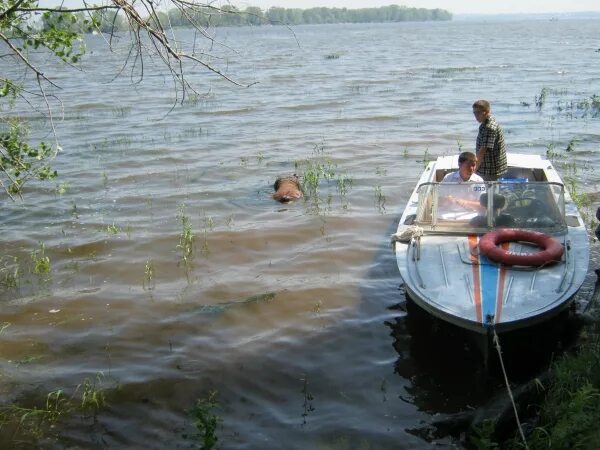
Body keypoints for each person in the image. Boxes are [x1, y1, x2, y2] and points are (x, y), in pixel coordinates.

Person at [472, 99, 507, 181]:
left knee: (488, 193)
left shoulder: (489, 127)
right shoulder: (486, 122)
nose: (476, 116)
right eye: (474, 113)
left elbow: (482, 151)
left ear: (487, 111)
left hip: (490, 169)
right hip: (490, 166)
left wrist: (473, 169)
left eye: (478, 112)